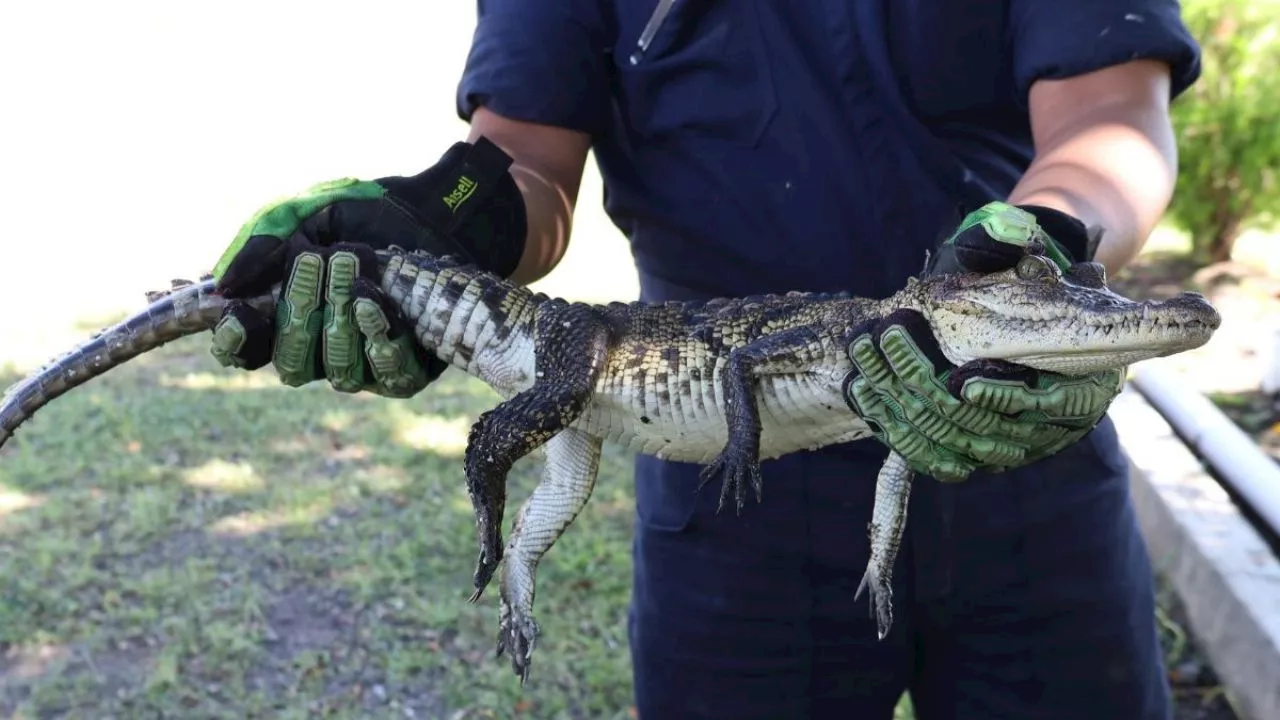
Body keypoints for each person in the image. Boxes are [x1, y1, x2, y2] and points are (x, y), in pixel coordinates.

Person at [208, 2, 1202, 718]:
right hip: (730, 487)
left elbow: (1106, 117)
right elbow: (527, 169)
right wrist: (443, 224)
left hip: (1019, 442)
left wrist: (1036, 245)